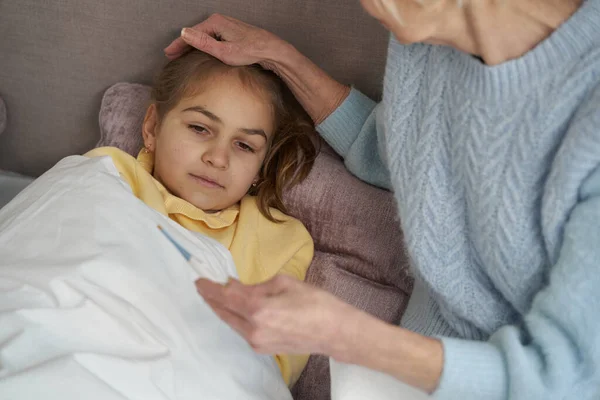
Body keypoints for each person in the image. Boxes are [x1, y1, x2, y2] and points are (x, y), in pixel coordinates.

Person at [164, 0, 600, 398]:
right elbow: (404, 153)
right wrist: (279, 57)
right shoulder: (426, 30)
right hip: (404, 371)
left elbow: (563, 378)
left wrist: (345, 334)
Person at [86, 49, 318, 387]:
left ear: (260, 167)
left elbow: (273, 361)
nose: (218, 158)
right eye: (200, 128)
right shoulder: (112, 174)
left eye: (244, 146)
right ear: (152, 127)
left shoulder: (279, 239)